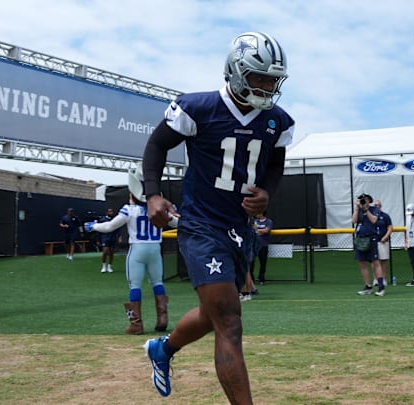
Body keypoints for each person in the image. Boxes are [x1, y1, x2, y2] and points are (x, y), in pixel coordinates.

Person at [141, 31, 294, 403]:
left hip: (240, 229)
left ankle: (163, 350)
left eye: (273, 80)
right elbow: (157, 144)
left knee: (214, 316)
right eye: (260, 77)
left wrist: (267, 192)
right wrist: (153, 195)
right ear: (237, 71)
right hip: (201, 224)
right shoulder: (199, 108)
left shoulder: (278, 120)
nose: (267, 86)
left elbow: (275, 164)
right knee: (229, 321)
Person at [85, 168, 174, 334]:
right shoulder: (159, 209)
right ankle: (162, 318)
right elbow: (177, 222)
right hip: (155, 248)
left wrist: (93, 226)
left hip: (138, 249)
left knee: (135, 285)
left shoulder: (129, 210)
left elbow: (110, 226)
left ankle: (136, 324)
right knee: (158, 282)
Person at [353, 193, 382, 296]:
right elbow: (354, 220)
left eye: (365, 200)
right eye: (361, 200)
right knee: (362, 263)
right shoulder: (359, 210)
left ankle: (381, 287)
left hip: (371, 238)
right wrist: (357, 208)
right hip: (360, 239)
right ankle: (368, 286)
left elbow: (374, 220)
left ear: (369, 200)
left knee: (375, 262)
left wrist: (366, 210)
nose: (363, 201)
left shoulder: (374, 209)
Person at [374, 200, 393, 286]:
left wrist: (386, 237)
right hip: (374, 241)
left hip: (383, 241)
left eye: (378, 205)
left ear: (381, 206)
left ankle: (384, 278)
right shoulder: (371, 216)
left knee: (383, 260)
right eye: (375, 205)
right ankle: (376, 279)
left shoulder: (385, 216)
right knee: (374, 261)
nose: (377, 207)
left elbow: (390, 227)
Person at [251, 212, 273, 285]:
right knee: (251, 262)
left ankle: (261, 278)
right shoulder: (255, 221)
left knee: (263, 263)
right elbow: (252, 230)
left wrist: (258, 230)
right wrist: (260, 231)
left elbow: (266, 230)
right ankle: (251, 279)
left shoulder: (268, 221)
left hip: (263, 245)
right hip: (254, 245)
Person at [98, 207, 120, 273]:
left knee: (111, 252)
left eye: (112, 211)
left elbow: (117, 229)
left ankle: (109, 266)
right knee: (105, 251)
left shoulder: (114, 220)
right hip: (105, 237)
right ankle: (103, 266)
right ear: (107, 212)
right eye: (109, 211)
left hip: (112, 237)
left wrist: (119, 236)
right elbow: (99, 229)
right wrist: (98, 239)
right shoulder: (102, 219)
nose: (111, 213)